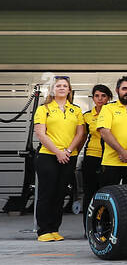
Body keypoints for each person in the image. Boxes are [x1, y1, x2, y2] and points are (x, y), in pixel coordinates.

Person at [33, 76, 87, 241]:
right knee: (47, 193)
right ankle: (43, 230)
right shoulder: (44, 109)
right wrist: (58, 152)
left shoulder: (76, 110)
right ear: (53, 89)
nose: (62, 88)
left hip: (69, 156)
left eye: (65, 86)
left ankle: (54, 229)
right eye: (58, 86)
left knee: (60, 193)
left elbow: (80, 133)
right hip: (48, 156)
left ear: (69, 90)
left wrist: (68, 150)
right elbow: (40, 133)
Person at [79, 83, 112, 201]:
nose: (100, 99)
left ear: (109, 98)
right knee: (89, 191)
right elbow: (82, 136)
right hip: (92, 156)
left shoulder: (114, 113)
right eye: (97, 96)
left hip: (110, 157)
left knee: (107, 192)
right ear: (93, 98)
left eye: (103, 96)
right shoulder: (87, 116)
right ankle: (88, 213)